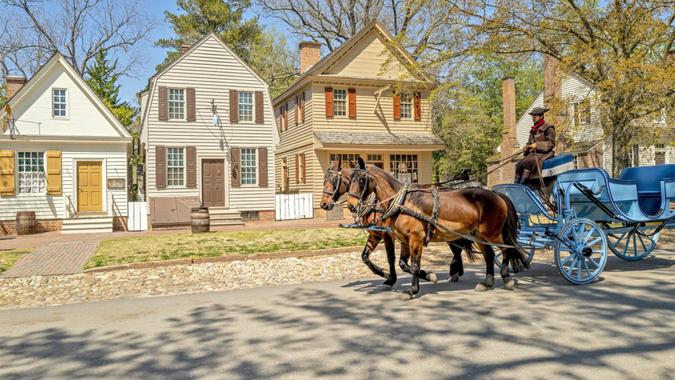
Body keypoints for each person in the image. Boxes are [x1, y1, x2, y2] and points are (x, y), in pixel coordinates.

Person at [515, 107, 555, 184]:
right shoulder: (533, 130)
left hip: (545, 154)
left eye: (535, 116)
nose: (533, 118)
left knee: (529, 162)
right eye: (532, 116)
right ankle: (516, 185)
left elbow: (551, 143)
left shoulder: (549, 128)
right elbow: (529, 143)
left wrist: (537, 145)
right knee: (519, 164)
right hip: (533, 154)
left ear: (541, 116)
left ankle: (524, 184)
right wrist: (526, 147)